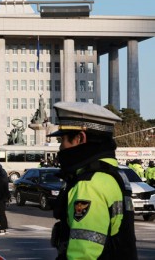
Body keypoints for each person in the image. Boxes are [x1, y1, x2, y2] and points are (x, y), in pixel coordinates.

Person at [47, 102, 137, 259]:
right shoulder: (113, 175)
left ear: (80, 138)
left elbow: (83, 254)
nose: (60, 148)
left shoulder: (88, 184)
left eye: (62, 140)